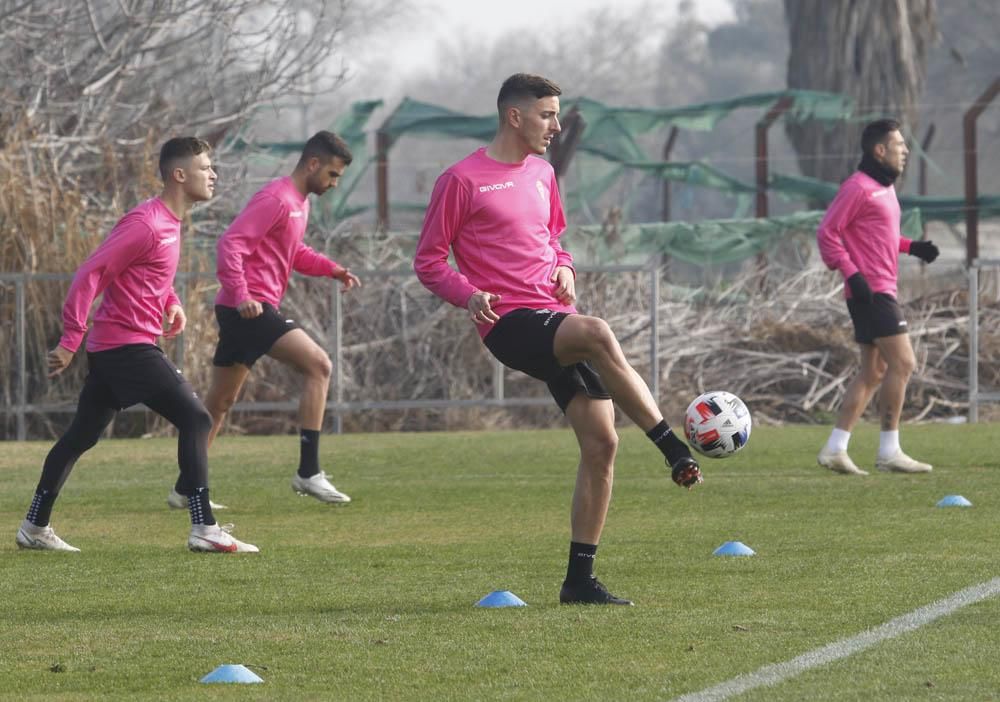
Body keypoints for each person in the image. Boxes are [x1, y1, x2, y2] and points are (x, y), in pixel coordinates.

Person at [413, 73, 702, 606]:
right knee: (597, 332)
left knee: (602, 443)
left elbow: (553, 239)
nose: (557, 124)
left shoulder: (544, 174)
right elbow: (429, 260)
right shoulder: (461, 180)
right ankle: (669, 445)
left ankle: (579, 581)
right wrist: (468, 294)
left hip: (552, 314)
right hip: (507, 323)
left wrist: (565, 267)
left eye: (557, 114)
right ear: (514, 116)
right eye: (547, 114)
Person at [17, 137, 258, 553]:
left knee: (81, 437)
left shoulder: (170, 223)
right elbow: (90, 274)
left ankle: (34, 526)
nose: (214, 174)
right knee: (197, 419)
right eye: (206, 168)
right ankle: (204, 527)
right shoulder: (145, 222)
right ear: (179, 175)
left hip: (122, 346)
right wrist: (71, 338)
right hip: (125, 347)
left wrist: (172, 303)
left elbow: (146, 276)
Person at [170, 130, 360, 509]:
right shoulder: (275, 198)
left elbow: (294, 251)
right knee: (319, 366)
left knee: (220, 403)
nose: (334, 183)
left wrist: (332, 269)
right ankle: (308, 472)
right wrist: (242, 296)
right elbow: (231, 244)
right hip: (249, 308)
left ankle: (185, 488)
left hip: (245, 308)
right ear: (313, 164)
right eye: (333, 175)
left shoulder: (299, 203)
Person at [816, 118, 939, 476]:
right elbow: (828, 233)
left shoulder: (884, 189)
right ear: (879, 150)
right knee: (903, 364)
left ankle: (835, 449)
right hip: (871, 293)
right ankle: (889, 450)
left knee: (874, 372)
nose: (905, 152)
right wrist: (852, 274)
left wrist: (911, 246)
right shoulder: (858, 187)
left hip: (881, 287)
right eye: (899, 145)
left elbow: (876, 237)